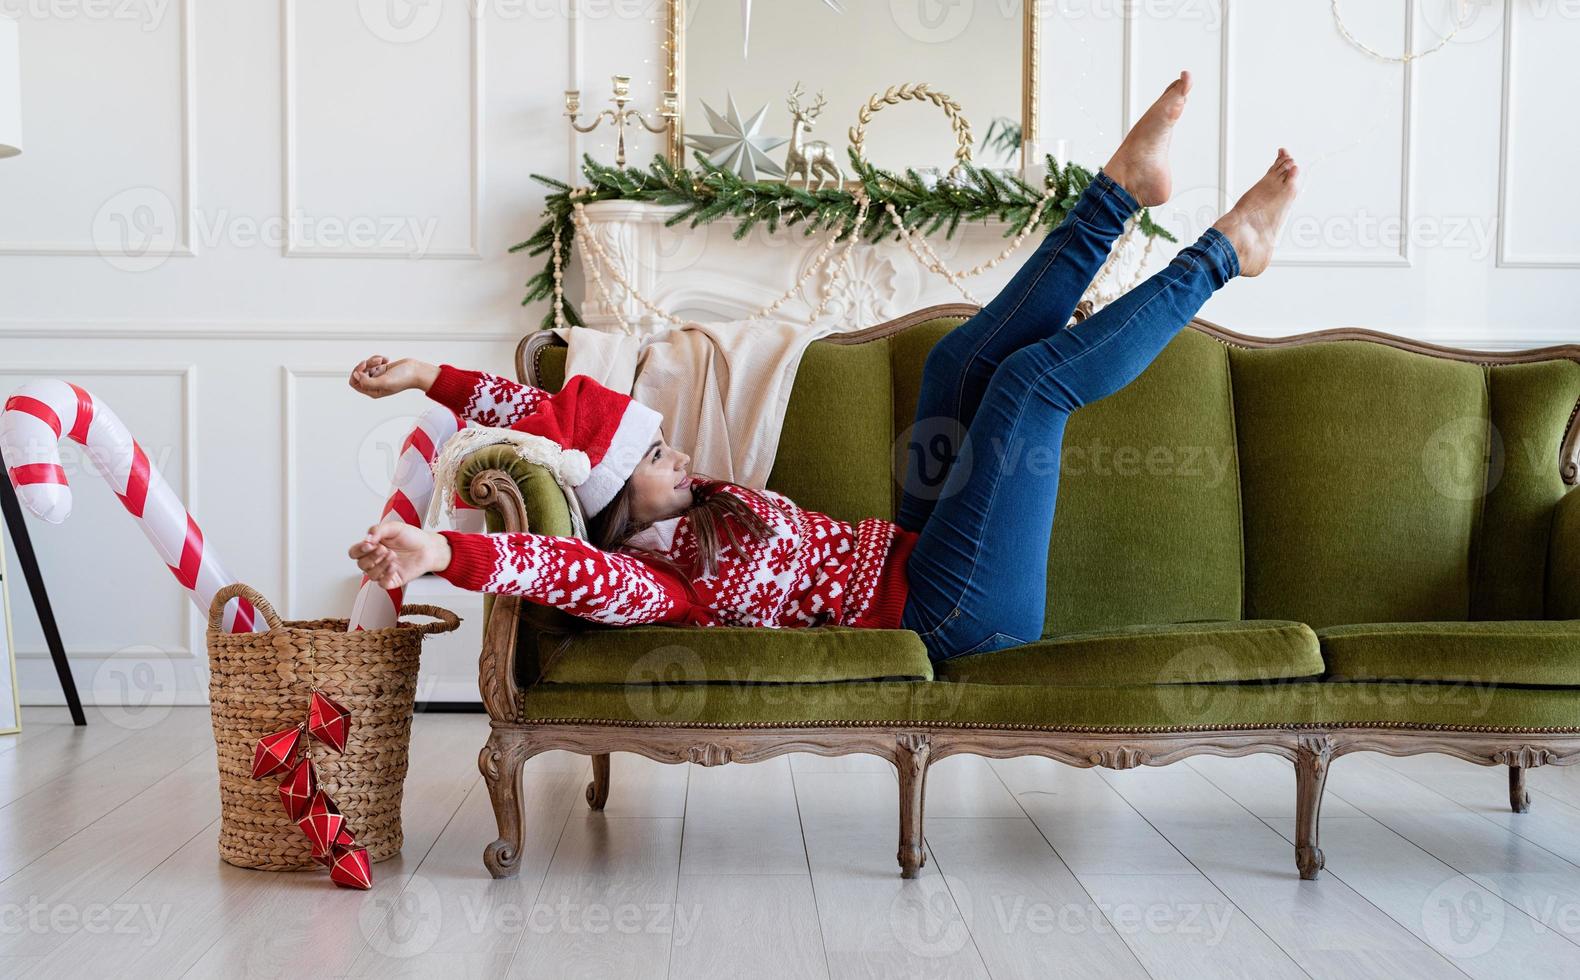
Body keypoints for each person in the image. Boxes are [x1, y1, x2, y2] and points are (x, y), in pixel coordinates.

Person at [346, 71, 1301, 662]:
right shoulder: (654, 583)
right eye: (654, 457)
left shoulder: (699, 506)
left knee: (956, 370)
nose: (678, 452)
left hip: (917, 556)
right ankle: (1224, 253)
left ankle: (1119, 195)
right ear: (612, 501)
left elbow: (544, 415)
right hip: (952, 618)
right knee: (1026, 390)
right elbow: (554, 566)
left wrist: (429, 374)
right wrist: (439, 552)